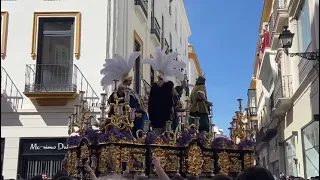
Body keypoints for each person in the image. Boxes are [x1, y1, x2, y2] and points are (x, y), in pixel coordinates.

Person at [101, 52, 148, 137]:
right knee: (143, 118)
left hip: (126, 115)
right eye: (130, 80)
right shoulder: (125, 92)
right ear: (126, 81)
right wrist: (137, 112)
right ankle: (140, 135)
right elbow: (128, 105)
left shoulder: (127, 92)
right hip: (126, 116)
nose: (131, 82)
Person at [142, 48, 186, 134]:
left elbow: (150, 101)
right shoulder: (169, 85)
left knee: (157, 136)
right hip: (167, 116)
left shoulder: (154, 86)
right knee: (167, 136)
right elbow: (175, 97)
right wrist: (178, 104)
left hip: (155, 116)